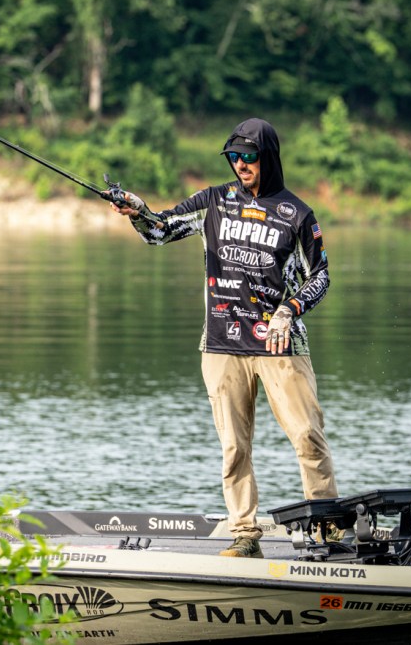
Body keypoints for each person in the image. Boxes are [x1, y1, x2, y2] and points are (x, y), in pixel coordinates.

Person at [110, 118, 338, 559]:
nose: (240, 165)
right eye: (233, 157)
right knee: (234, 446)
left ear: (267, 158)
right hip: (221, 344)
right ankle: (245, 534)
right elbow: (161, 229)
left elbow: (321, 276)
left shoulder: (296, 214)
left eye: (248, 157)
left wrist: (290, 310)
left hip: (279, 345)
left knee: (307, 434)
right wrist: (138, 210)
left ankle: (328, 528)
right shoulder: (213, 201)